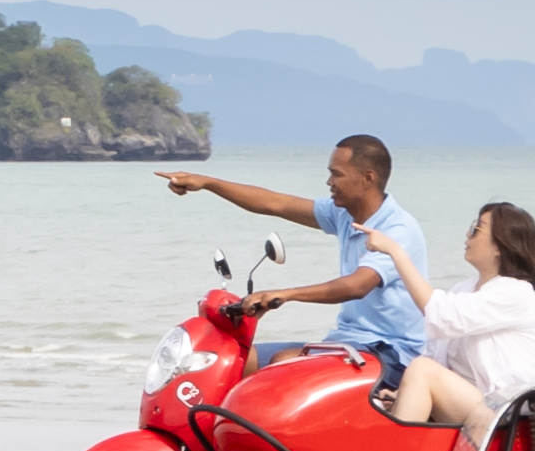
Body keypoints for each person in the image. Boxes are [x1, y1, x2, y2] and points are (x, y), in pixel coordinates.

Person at [162, 135, 435, 402]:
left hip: (392, 355)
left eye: (336, 174)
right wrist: (208, 183)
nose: (329, 182)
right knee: (239, 361)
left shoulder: (397, 229)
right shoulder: (345, 214)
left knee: (285, 364)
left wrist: (287, 293)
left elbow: (357, 285)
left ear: (368, 178)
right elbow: (275, 203)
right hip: (348, 342)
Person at [396, 199, 535, 436]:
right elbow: (437, 354)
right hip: (479, 402)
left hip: (511, 407)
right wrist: (406, 394)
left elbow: (440, 316)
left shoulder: (516, 292)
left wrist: (397, 254)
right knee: (403, 382)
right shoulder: (463, 289)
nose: (468, 235)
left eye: (476, 229)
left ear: (500, 245)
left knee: (421, 370)